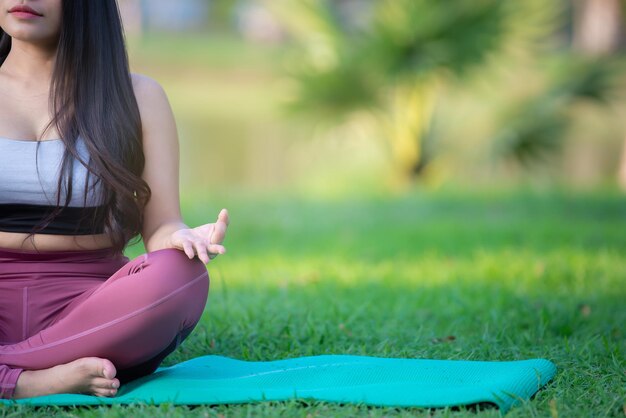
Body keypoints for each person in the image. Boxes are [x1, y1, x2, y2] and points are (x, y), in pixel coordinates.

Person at [0, 0, 230, 399]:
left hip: (90, 304)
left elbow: (161, 224)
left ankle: (11, 364)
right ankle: (26, 381)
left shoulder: (139, 96)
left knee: (184, 273)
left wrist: (181, 237)